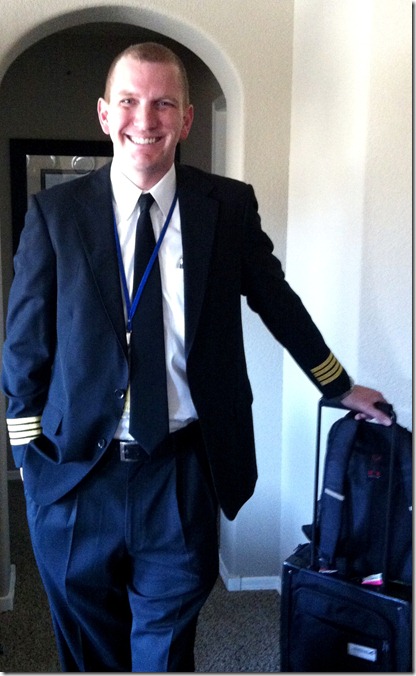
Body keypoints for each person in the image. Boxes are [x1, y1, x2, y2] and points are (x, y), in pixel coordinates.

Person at [1, 42, 392, 672]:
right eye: (129, 101)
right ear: (104, 114)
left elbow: (277, 302)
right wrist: (29, 463)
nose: (144, 119)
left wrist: (338, 384)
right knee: (90, 655)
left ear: (185, 119)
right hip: (75, 476)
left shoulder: (226, 207)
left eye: (163, 104)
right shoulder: (56, 215)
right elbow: (24, 348)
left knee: (166, 653)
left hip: (180, 473)